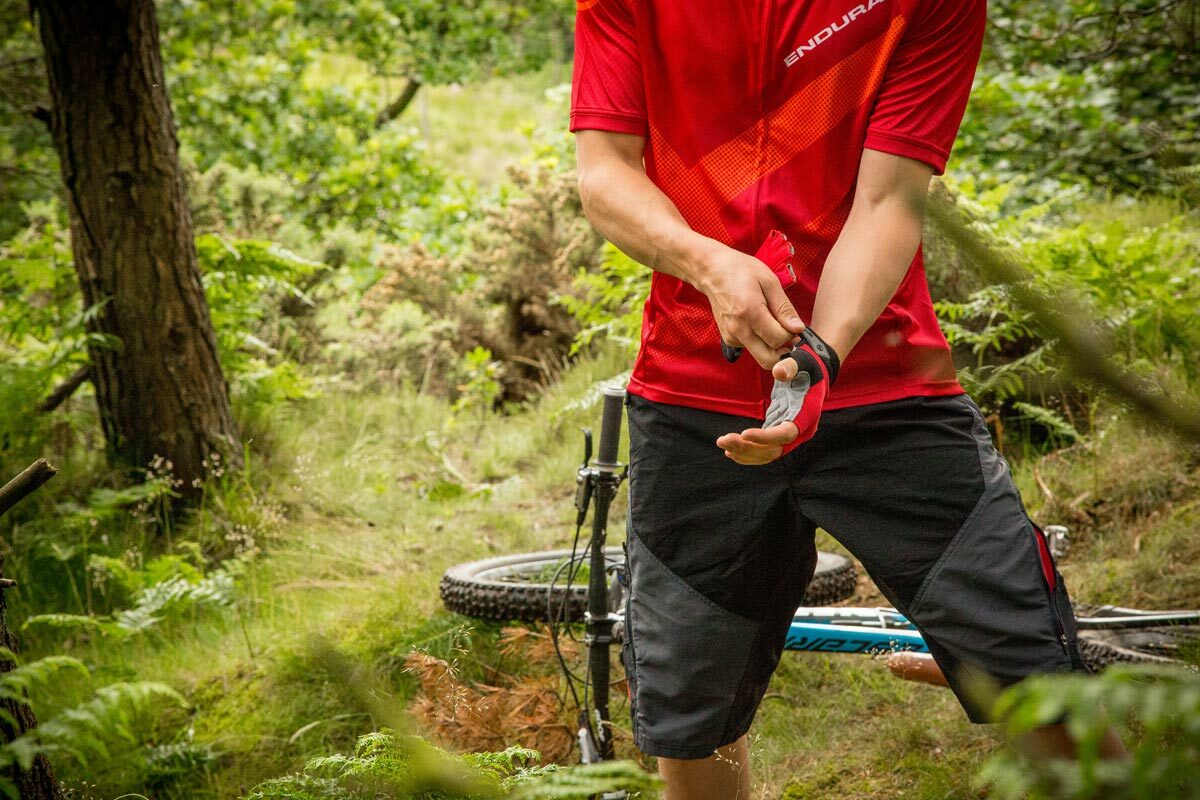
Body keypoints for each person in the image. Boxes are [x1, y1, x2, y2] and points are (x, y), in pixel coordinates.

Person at [569, 1, 1124, 798]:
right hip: (695, 395)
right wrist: (709, 264)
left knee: (1034, 670)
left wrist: (817, 357)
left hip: (889, 388)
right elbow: (604, 174)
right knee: (692, 719)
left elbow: (889, 200)